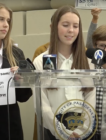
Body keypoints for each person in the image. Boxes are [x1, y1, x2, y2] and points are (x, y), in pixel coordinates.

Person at [33, 5, 96, 140]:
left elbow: (91, 95)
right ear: (54, 27)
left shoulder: (87, 61)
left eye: (75, 26)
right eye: (66, 25)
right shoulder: (41, 61)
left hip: (81, 129)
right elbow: (41, 102)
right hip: (51, 129)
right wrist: (60, 131)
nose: (71, 30)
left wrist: (82, 130)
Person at [0, 3, 32, 140]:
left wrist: (21, 78)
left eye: (8, 20)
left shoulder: (16, 53)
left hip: (9, 125)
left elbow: (24, 96)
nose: (6, 24)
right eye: (1, 19)